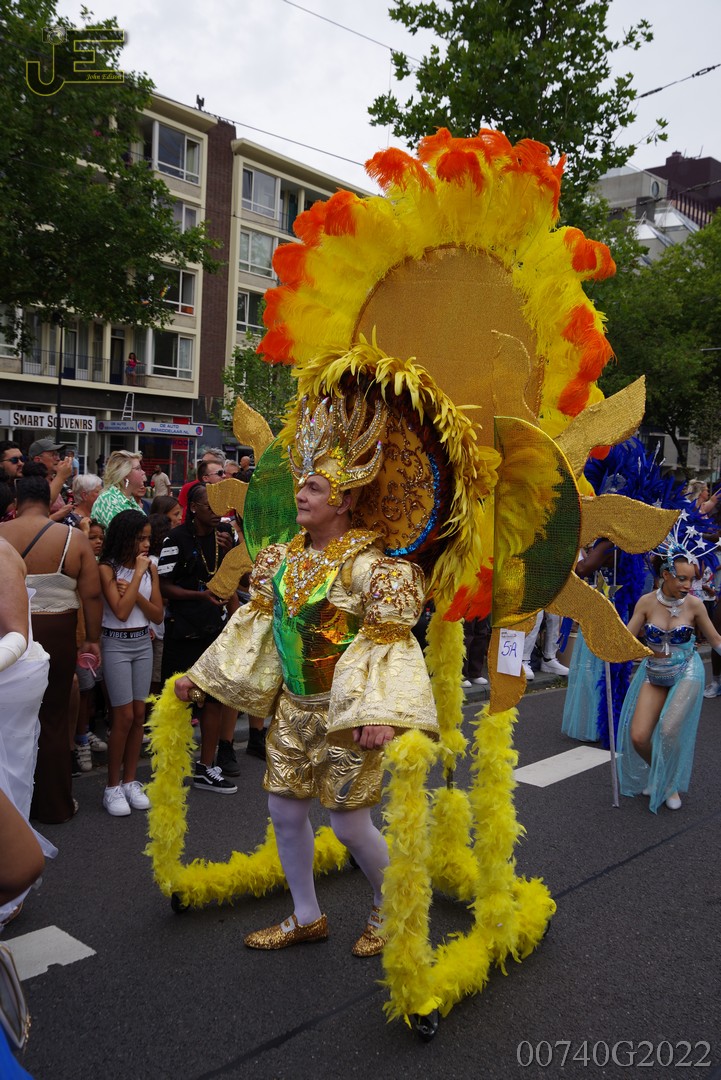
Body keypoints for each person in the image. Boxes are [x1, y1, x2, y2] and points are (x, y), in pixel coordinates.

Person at [174, 396, 438, 954]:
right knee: (284, 811)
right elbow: (253, 631)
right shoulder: (282, 561)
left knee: (348, 826)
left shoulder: (370, 569)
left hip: (347, 718)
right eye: (302, 484)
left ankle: (394, 907)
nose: (300, 494)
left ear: (345, 499)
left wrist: (379, 714)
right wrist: (204, 678)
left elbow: (389, 645)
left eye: (314, 487)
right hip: (293, 711)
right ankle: (306, 916)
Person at [0, 474, 102, 824]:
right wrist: (92, 639)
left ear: (17, 502)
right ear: (49, 501)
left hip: (8, 633)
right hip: (57, 632)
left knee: (7, 720)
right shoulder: (72, 539)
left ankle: (11, 812)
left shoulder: (2, 535)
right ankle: (54, 806)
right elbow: (92, 595)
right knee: (54, 718)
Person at [616, 546, 721, 813]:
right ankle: (660, 773)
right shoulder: (646, 602)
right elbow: (626, 640)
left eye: (692, 579)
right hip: (654, 671)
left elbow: (716, 640)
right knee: (639, 736)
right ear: (666, 574)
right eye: (682, 578)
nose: (688, 585)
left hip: (687, 670)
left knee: (668, 729)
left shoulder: (695, 605)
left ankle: (669, 783)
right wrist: (608, 642)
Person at [159, 483, 237, 792]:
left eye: (220, 506)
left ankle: (206, 767)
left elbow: (236, 578)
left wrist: (229, 552)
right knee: (180, 700)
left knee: (213, 700)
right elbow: (164, 587)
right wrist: (199, 596)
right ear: (193, 508)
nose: (217, 513)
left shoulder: (222, 538)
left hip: (213, 632)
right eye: (210, 506)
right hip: (183, 632)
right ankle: (171, 766)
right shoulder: (175, 539)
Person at [0, 537, 54, 928]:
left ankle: (8, 889)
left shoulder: (1, 554)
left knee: (9, 776)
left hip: (11, 680)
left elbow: (16, 635)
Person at [98, 511, 162, 816]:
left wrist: (136, 594)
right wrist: (136, 576)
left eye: (148, 538)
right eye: (140, 538)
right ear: (125, 538)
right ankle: (111, 786)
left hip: (142, 642)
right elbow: (120, 612)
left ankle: (130, 781)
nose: (146, 544)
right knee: (122, 716)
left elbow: (158, 614)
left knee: (138, 716)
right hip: (116, 643)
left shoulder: (151, 567)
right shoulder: (107, 568)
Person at [92, 451, 147, 530]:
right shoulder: (108, 500)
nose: (143, 472)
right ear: (125, 474)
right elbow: (123, 534)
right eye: (138, 468)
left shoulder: (130, 499)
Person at [27, 438, 74, 515]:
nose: (58, 459)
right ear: (37, 460)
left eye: (57, 454)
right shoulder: (31, 483)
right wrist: (61, 476)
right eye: (53, 455)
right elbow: (38, 511)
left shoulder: (54, 480)